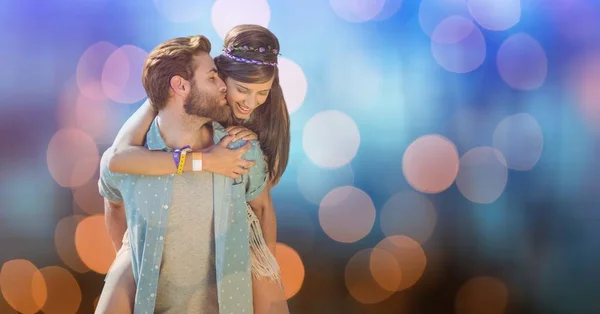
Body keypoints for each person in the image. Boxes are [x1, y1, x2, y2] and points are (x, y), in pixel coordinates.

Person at [96, 31, 289, 314]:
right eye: (213, 78)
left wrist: (265, 278)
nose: (222, 86)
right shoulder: (132, 157)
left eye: (261, 92)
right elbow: (115, 177)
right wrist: (133, 259)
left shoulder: (241, 148)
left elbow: (262, 210)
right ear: (180, 86)